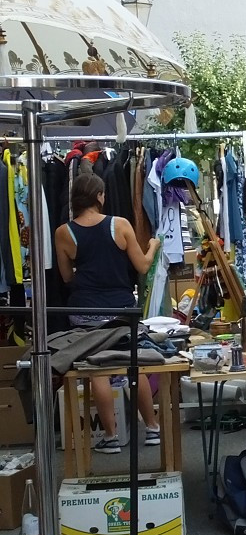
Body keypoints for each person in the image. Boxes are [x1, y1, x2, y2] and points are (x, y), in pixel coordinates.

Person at [53, 173, 162, 455]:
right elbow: (142, 266)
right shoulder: (120, 225)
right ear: (100, 196)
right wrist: (153, 246)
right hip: (122, 312)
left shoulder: (64, 232)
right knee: (133, 366)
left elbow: (66, 276)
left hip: (85, 313)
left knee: (97, 370)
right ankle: (152, 429)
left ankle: (111, 437)